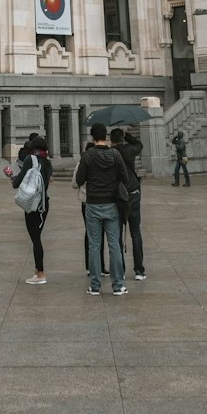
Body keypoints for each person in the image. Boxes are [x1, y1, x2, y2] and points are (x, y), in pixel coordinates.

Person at [74, 121, 128, 296]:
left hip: (93, 205)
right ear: (105, 137)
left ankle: (95, 286)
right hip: (112, 204)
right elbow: (124, 177)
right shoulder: (115, 155)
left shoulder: (88, 156)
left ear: (92, 137)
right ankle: (118, 285)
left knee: (94, 246)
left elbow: (80, 179)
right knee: (114, 246)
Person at [11, 133, 52, 285]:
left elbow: (18, 182)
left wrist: (12, 178)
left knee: (36, 239)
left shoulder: (30, 159)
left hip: (32, 205)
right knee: (37, 237)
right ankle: (37, 271)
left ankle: (41, 273)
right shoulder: (47, 162)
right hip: (44, 203)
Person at [111, 127, 146, 280]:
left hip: (118, 196)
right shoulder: (129, 150)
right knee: (135, 232)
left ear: (111, 140)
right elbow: (139, 145)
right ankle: (139, 270)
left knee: (117, 234)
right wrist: (129, 137)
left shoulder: (111, 154)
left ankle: (121, 271)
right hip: (133, 193)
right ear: (122, 139)